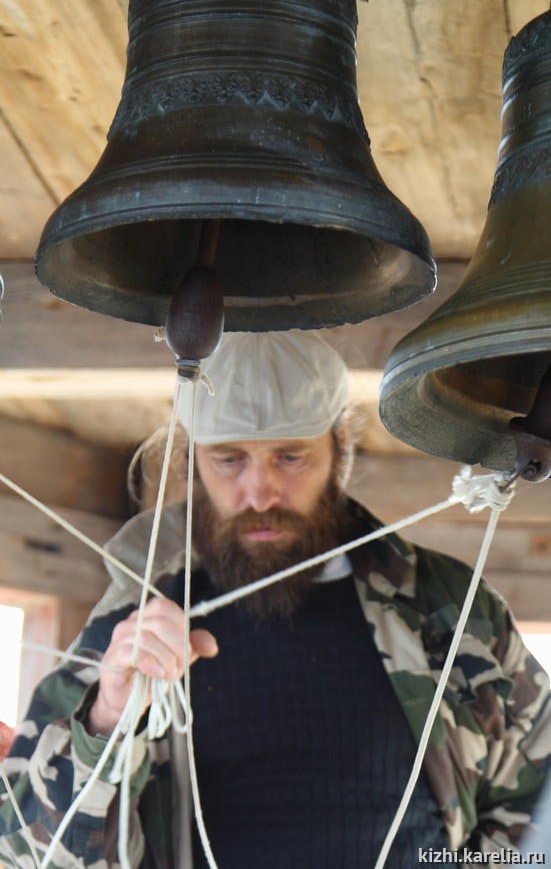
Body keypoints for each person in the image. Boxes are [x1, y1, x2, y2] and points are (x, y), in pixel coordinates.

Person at [0, 330, 550, 869]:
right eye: (230, 460)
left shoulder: (447, 606)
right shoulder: (136, 624)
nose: (260, 494)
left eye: (289, 458)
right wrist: (107, 718)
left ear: (340, 443)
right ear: (192, 458)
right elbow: (25, 853)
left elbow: (535, 812)